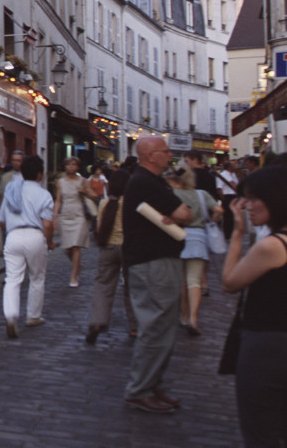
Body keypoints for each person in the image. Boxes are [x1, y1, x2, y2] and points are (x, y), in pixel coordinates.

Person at [121, 135, 192, 414]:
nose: (170, 155)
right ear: (150, 156)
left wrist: (178, 215)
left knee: (163, 326)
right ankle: (140, 389)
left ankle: (151, 384)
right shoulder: (146, 182)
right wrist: (179, 215)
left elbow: (181, 213)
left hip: (157, 260)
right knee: (156, 325)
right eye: (165, 151)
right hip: (153, 263)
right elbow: (185, 212)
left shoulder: (150, 181)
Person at [221, 166, 287, 446]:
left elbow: (230, 282)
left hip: (267, 345)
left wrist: (236, 235)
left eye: (253, 198)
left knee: (262, 431)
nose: (247, 206)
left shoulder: (272, 246)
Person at [0, 154, 55, 339]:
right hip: (35, 235)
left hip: (13, 236)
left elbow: (1, 220)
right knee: (37, 277)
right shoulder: (44, 194)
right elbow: (47, 224)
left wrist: (10, 233)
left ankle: (11, 315)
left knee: (12, 279)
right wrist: (50, 241)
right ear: (40, 174)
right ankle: (33, 316)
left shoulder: (12, 190)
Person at [162, 165, 221, 337]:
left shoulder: (173, 195)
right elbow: (219, 210)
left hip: (178, 237)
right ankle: (194, 319)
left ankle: (185, 316)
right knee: (194, 281)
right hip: (199, 238)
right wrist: (212, 221)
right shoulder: (201, 194)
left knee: (181, 281)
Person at [85, 167, 136, 344]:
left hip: (108, 248)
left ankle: (97, 321)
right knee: (132, 288)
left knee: (103, 285)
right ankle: (134, 326)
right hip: (128, 248)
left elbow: (99, 229)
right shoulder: (132, 203)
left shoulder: (105, 203)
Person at [52, 156, 96, 288]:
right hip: (66, 214)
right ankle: (77, 266)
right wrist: (55, 215)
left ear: (78, 167)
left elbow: (94, 196)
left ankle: (74, 275)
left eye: (74, 164)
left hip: (78, 215)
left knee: (76, 245)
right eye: (68, 164)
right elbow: (59, 200)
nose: (71, 167)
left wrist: (84, 192)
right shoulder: (60, 182)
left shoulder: (83, 181)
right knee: (67, 247)